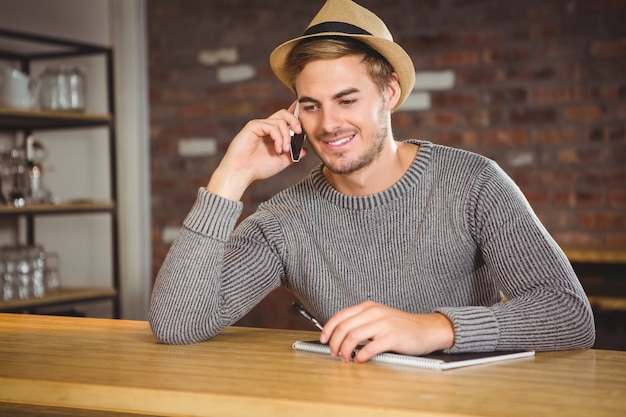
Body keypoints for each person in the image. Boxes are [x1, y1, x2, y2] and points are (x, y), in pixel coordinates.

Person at [149, 0, 595, 363]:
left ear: (391, 93)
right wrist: (231, 177)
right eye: (311, 105)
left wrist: (432, 328)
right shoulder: (284, 221)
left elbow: (570, 315)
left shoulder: (471, 183)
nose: (329, 124)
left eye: (347, 99)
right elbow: (177, 325)